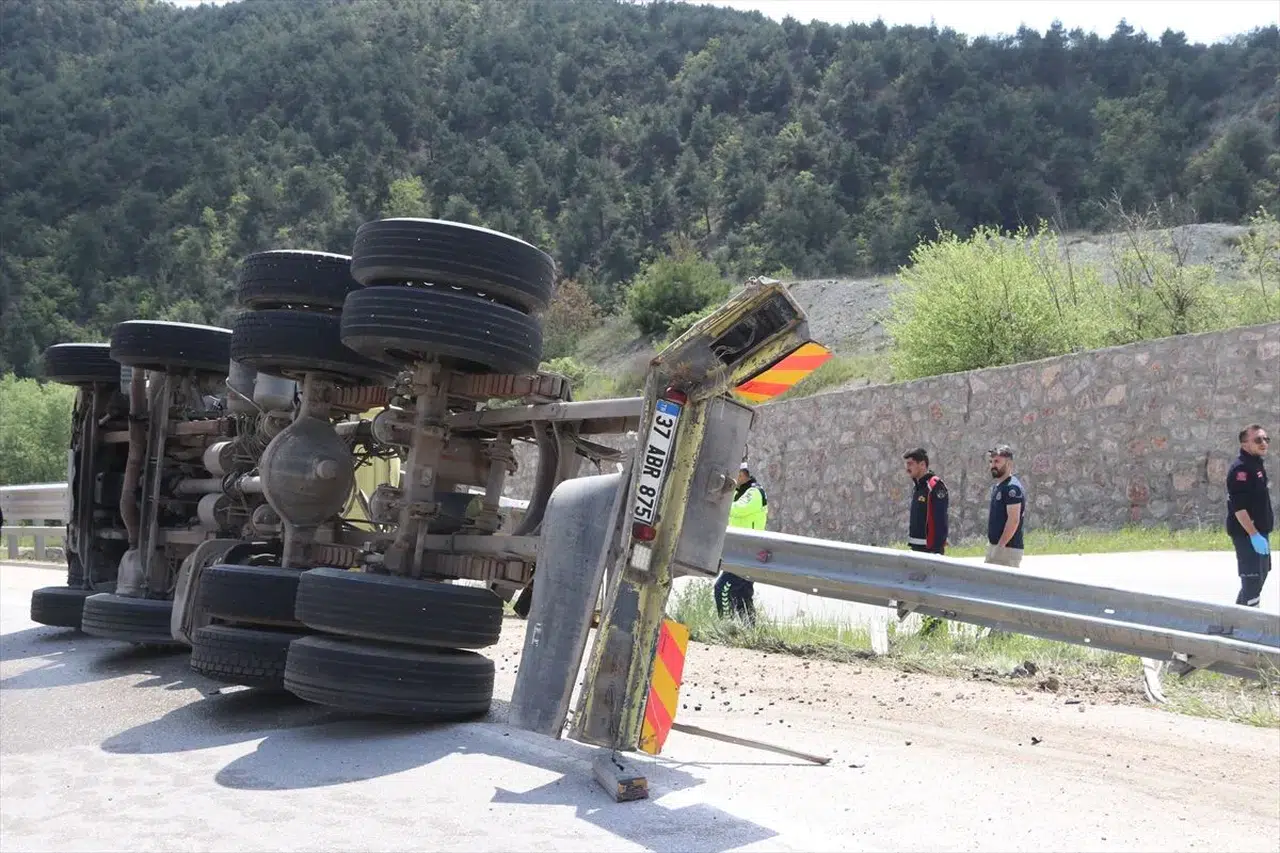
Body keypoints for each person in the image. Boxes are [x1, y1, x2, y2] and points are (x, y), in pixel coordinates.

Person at [1226, 424, 1273, 607]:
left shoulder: (1256, 464)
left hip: (1260, 531)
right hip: (1247, 534)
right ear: (1244, 444)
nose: (1264, 443)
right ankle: (1251, 619)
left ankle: (1236, 616)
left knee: (1261, 575)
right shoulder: (1241, 470)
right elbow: (1239, 508)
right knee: (1252, 581)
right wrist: (1253, 535)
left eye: (1266, 439)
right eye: (1258, 440)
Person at [716, 463, 767, 623]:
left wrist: (720, 503)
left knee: (722, 589)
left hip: (747, 552)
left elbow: (738, 509)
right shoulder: (740, 492)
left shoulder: (755, 492)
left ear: (741, 474)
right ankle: (749, 630)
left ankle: (726, 627)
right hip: (740, 551)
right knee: (743, 595)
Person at [985, 444, 1026, 568]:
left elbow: (1013, 520)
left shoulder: (1012, 488)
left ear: (1009, 464)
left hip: (1007, 549)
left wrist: (1000, 546)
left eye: (997, 461)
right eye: (991, 462)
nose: (993, 465)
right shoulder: (999, 486)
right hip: (997, 547)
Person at [903, 447, 949, 554]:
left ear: (922, 464)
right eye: (906, 464)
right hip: (916, 547)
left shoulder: (935, 486)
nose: (907, 468)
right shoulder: (917, 487)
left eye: (910, 464)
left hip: (930, 550)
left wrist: (937, 547)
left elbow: (941, 519)